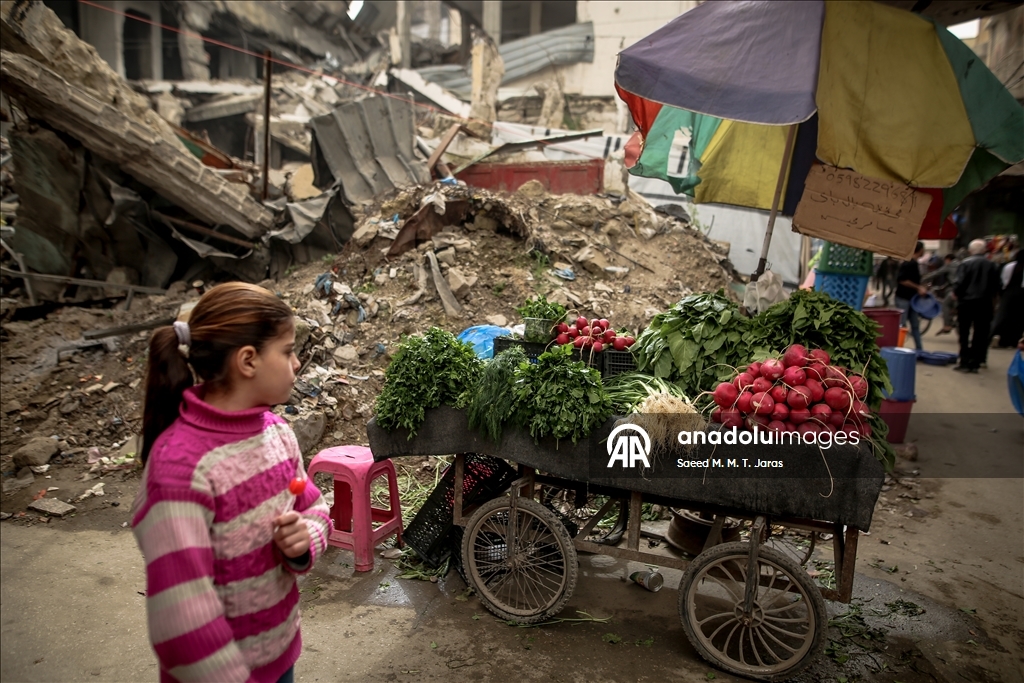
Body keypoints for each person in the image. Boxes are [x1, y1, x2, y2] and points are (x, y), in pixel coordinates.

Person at [131, 282, 332, 683]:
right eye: (289, 351)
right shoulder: (180, 470)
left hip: (279, 658)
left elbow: (314, 508)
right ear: (248, 360)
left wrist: (304, 539)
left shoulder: (278, 435)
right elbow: (180, 621)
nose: (296, 365)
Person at [953, 239, 1001, 372]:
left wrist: (957, 294)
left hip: (966, 302)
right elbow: (997, 286)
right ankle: (975, 362)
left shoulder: (965, 264)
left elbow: (959, 283)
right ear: (984, 250)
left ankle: (964, 360)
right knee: (980, 333)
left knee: (964, 332)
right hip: (984, 303)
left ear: (970, 251)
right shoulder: (993, 265)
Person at [895, 241, 927, 350]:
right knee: (902, 325)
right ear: (920, 250)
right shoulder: (909, 263)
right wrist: (918, 288)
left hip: (912, 298)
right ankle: (899, 348)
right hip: (904, 298)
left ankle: (919, 349)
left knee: (915, 325)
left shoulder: (913, 263)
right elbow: (902, 280)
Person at [992, 249, 1024, 348]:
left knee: (1004, 317)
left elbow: (1004, 280)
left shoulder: (1009, 266)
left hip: (1008, 293)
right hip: (1021, 293)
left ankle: (1003, 339)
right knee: (1018, 318)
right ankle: (1014, 340)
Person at [922, 252, 959, 334]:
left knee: (946, 304)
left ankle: (947, 325)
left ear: (948, 259)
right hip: (963, 290)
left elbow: (937, 273)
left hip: (956, 290)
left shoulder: (950, 265)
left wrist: (923, 279)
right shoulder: (961, 264)